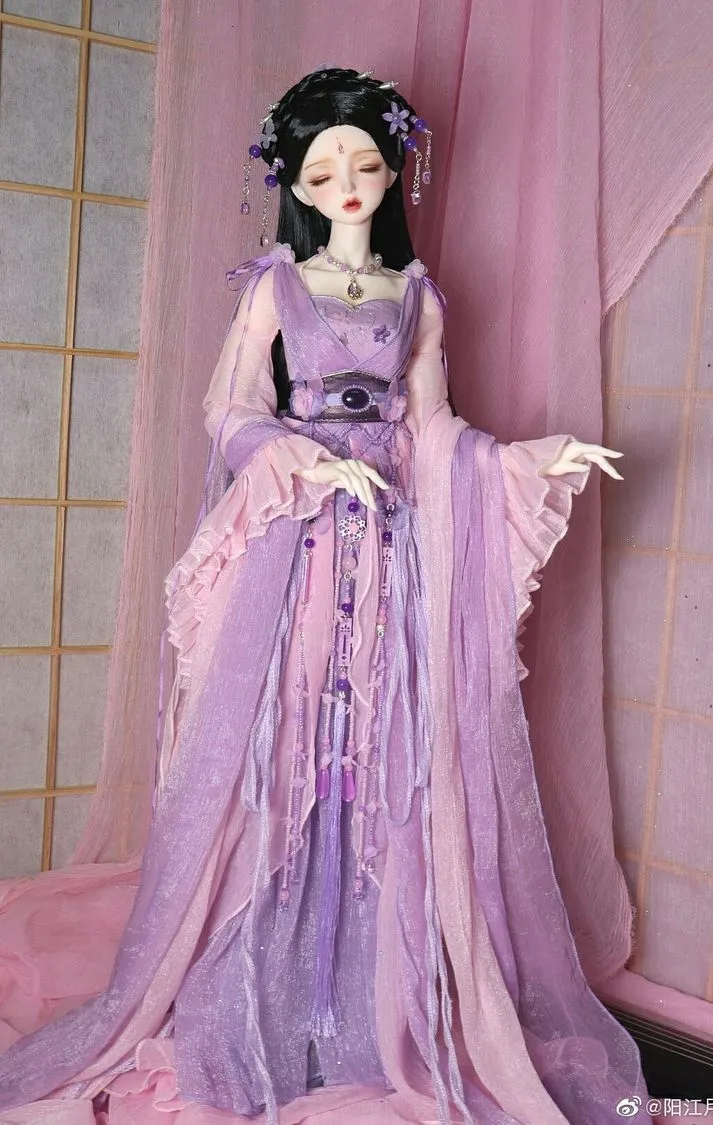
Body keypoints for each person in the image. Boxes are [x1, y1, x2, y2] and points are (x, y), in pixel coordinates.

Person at [0, 67, 650, 1124]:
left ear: (391, 172)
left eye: (364, 163)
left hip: (389, 553)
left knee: (383, 751)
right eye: (322, 169)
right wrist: (300, 457)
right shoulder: (277, 286)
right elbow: (227, 408)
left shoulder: (418, 295)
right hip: (296, 550)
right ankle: (257, 991)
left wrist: (525, 460)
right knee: (284, 744)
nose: (346, 182)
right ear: (297, 183)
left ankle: (359, 1002)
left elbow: (432, 430)